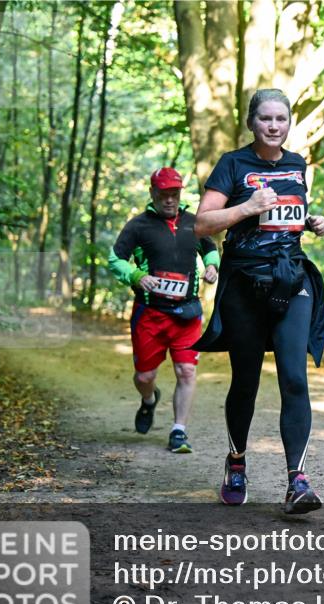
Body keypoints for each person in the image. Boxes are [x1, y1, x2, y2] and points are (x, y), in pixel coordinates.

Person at [192, 89, 324, 513]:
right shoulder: (233, 164)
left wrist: (310, 221)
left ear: (289, 124)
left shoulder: (297, 164)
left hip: (291, 278)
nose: (273, 126)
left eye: (281, 120)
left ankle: (297, 482)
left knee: (294, 378)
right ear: (252, 122)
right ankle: (236, 462)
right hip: (245, 282)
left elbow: (286, 219)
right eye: (265, 119)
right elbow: (201, 223)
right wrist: (247, 206)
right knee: (246, 381)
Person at [108, 167, 220, 453]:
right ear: (152, 194)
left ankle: (179, 430)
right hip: (150, 314)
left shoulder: (194, 222)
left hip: (187, 314)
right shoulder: (138, 226)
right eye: (163, 194)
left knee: (186, 371)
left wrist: (211, 266)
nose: (169, 200)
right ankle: (148, 400)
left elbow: (210, 247)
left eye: (174, 194)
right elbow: (115, 259)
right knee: (144, 377)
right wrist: (134, 276)